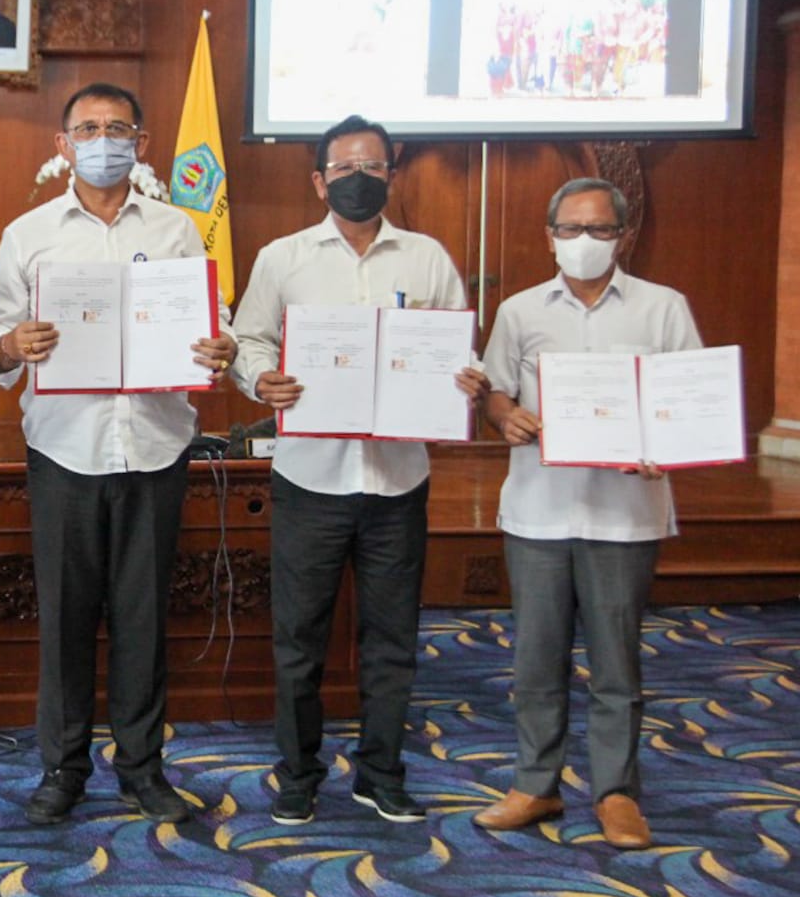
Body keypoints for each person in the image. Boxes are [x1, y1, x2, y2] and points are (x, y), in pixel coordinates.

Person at [0, 82, 237, 826]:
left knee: (142, 617)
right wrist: (13, 343)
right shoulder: (28, 234)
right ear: (63, 145)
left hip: (155, 445)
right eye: (88, 129)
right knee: (65, 619)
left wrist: (217, 345)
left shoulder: (177, 229)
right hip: (65, 446)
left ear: (142, 143)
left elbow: (212, 319)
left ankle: (141, 768)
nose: (103, 141)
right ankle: (62, 769)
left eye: (117, 129)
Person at [230, 114, 487, 826]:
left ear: (391, 176)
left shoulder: (426, 258)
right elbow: (249, 338)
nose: (358, 179)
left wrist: (465, 379)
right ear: (319, 181)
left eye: (372, 166)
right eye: (344, 168)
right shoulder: (284, 257)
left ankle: (381, 774)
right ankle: (298, 774)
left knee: (392, 640)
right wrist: (261, 379)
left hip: (397, 481)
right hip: (310, 478)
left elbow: (459, 346)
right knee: (299, 640)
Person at [473, 177, 701, 850]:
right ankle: (535, 783)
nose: (584, 241)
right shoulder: (519, 310)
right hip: (538, 511)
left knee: (616, 664)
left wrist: (668, 446)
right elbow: (495, 393)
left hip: (625, 514)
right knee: (536, 661)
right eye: (570, 229)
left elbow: (691, 401)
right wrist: (505, 417)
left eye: (599, 229)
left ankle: (616, 793)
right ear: (550, 237)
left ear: (622, 236)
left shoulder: (663, 308)